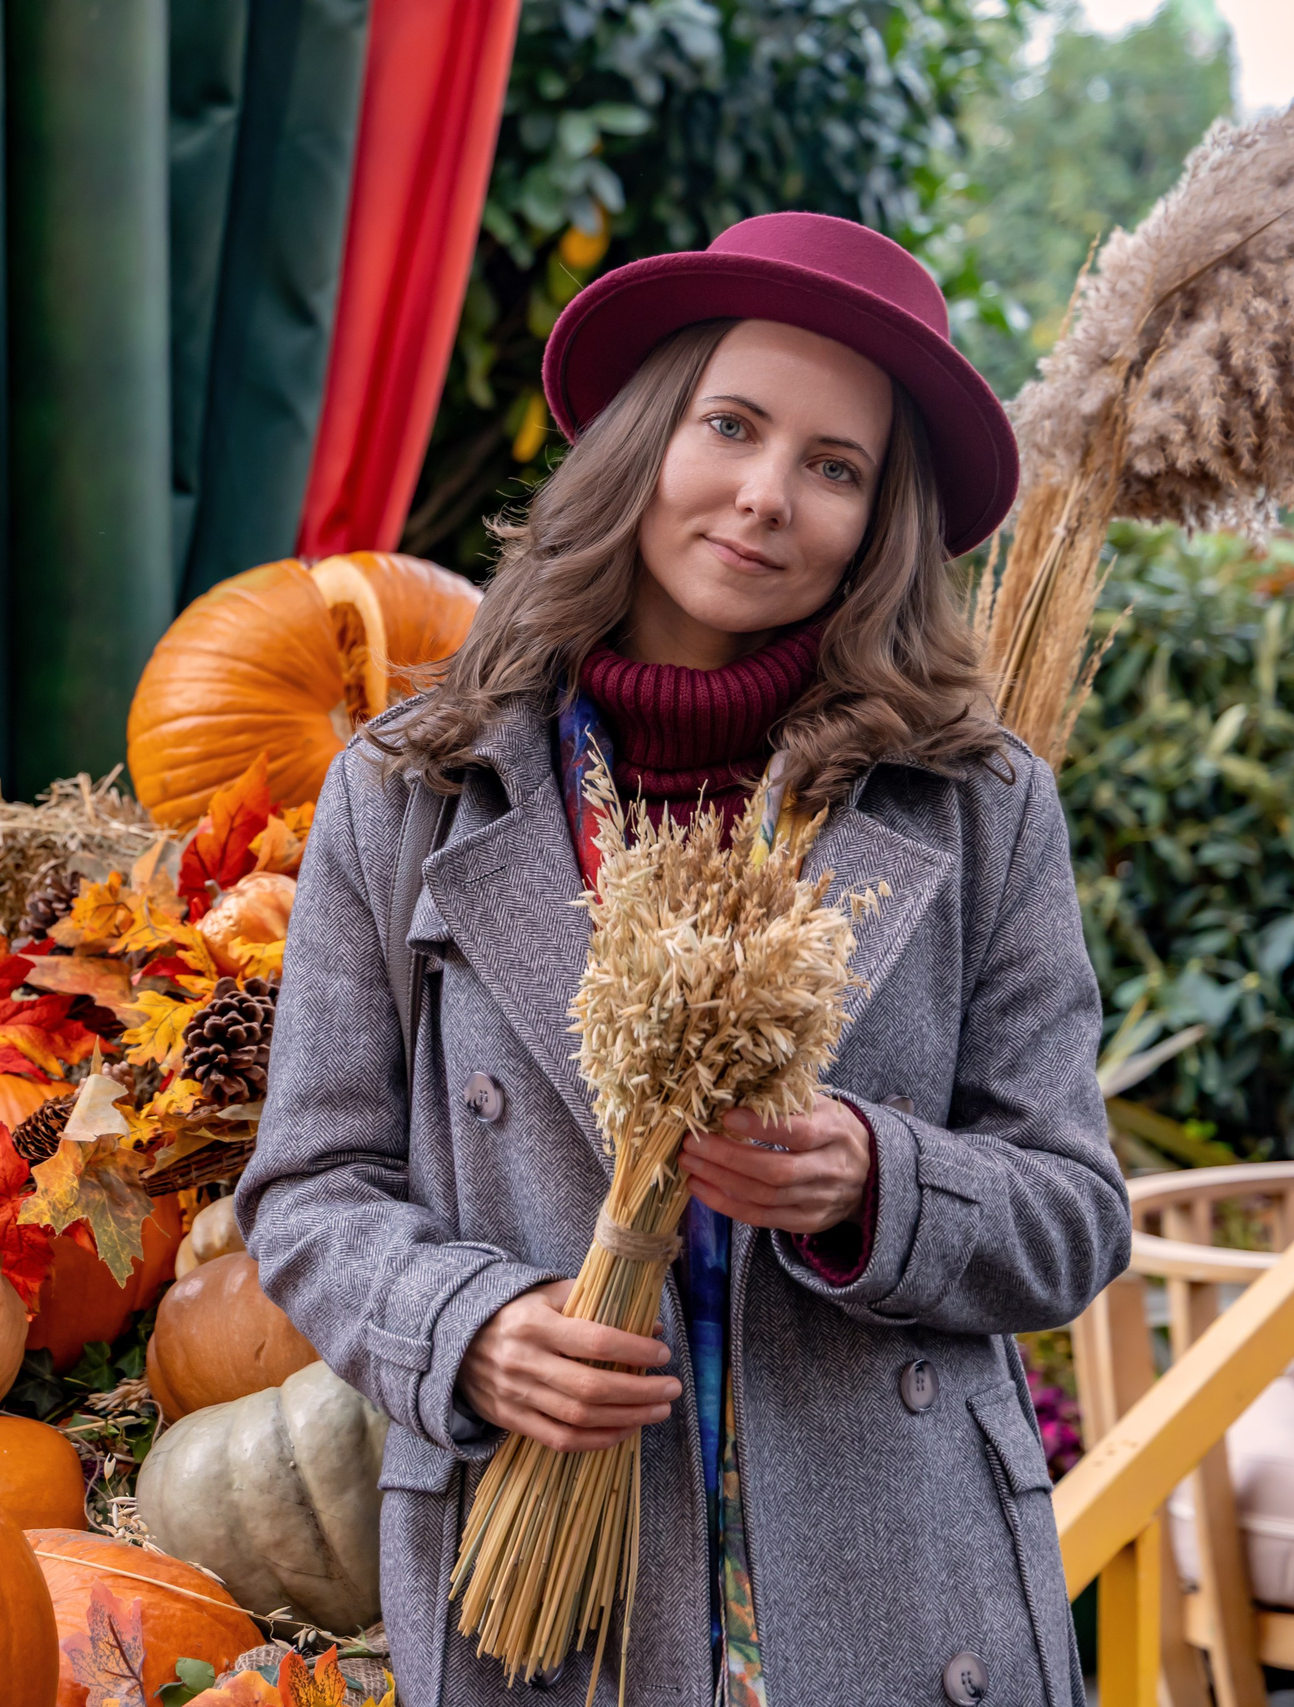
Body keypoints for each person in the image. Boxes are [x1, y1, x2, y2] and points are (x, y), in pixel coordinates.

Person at [237, 213, 1128, 1707]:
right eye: (732, 425)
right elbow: (310, 1186)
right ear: (649, 435)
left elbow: (1073, 1215)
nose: (767, 497)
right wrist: (470, 1331)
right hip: (548, 1590)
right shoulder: (415, 784)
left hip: (901, 1590)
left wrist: (873, 1178)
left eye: (835, 468)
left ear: (878, 522)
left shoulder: (974, 805)